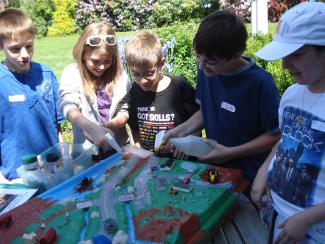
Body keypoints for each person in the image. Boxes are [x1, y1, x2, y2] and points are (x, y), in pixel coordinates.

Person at [164, 10, 280, 185]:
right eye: (198, 57)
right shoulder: (207, 71)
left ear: (236, 55)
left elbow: (275, 135)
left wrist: (230, 152)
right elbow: (207, 111)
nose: (202, 66)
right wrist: (179, 131)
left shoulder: (259, 83)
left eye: (211, 61)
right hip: (216, 169)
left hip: (249, 174)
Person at [251, 2, 325, 243]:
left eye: (298, 54)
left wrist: (308, 218)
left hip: (313, 230)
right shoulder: (292, 94)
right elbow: (285, 140)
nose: (284, 65)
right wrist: (264, 170)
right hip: (278, 214)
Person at [108, 31, 199, 154]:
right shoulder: (134, 92)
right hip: (152, 163)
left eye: (149, 73)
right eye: (136, 74)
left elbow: (199, 122)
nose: (143, 80)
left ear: (161, 63)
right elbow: (135, 130)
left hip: (183, 160)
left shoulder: (179, 87)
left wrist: (187, 143)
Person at [0, 9, 64, 183]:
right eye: (15, 49)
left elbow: (56, 123)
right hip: (17, 175)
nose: (24, 54)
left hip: (53, 166)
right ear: (1, 46)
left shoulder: (46, 74)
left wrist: (62, 152)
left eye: (29, 46)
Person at [59, 23, 130, 151]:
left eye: (107, 61)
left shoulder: (119, 73)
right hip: (87, 152)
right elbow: (68, 106)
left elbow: (125, 108)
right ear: (82, 54)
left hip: (119, 147)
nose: (101, 67)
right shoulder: (72, 73)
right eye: (95, 61)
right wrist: (91, 128)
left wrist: (109, 126)